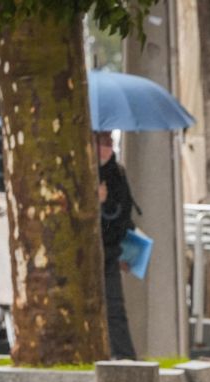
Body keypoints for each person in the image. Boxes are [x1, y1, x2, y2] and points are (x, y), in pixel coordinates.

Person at [95, 131, 139, 360]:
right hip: (90, 255)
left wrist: (106, 203)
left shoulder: (116, 173)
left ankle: (124, 357)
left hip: (110, 252)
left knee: (115, 309)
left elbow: (123, 213)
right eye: (103, 142)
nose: (107, 148)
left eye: (109, 142)